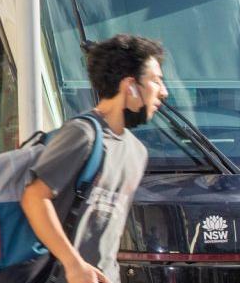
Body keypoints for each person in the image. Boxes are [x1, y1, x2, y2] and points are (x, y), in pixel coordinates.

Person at [22, 35, 167, 283]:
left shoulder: (136, 153)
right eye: (155, 81)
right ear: (130, 86)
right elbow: (34, 198)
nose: (163, 92)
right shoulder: (82, 134)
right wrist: (73, 264)